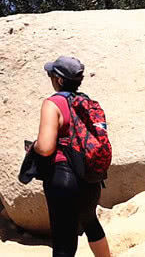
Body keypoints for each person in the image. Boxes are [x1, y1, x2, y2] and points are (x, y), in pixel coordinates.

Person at [34, 56, 111, 257]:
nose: (50, 77)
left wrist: (34, 145)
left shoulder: (53, 103)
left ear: (59, 80)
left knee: (63, 243)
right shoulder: (86, 102)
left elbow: (45, 148)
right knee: (90, 222)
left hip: (64, 179)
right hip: (91, 179)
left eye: (51, 74)